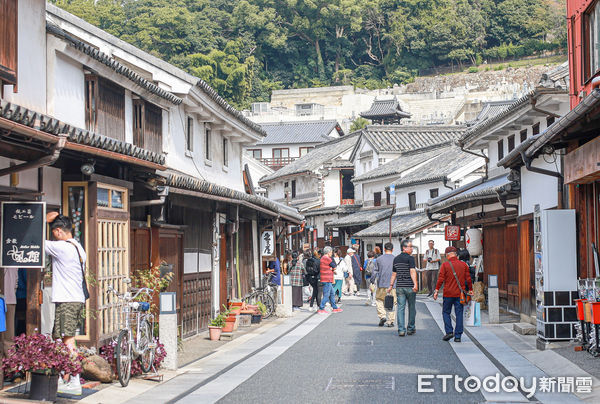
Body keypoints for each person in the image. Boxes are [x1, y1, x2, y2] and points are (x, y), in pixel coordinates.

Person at [45, 212, 86, 395]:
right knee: (63, 338)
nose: (53, 235)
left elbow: (34, 242)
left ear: (59, 231)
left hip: (67, 299)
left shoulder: (62, 247)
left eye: (53, 231)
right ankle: (65, 378)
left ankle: (74, 380)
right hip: (74, 299)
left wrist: (41, 220)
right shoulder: (78, 247)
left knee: (67, 339)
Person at [434, 246, 473, 342]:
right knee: (459, 313)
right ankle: (458, 336)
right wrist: (471, 289)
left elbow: (441, 279)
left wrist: (436, 290)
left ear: (447, 255)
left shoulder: (445, 265)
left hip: (448, 293)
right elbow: (468, 279)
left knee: (446, 312)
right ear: (456, 254)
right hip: (460, 294)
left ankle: (449, 331)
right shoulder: (463, 265)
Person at [388, 239, 418, 336]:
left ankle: (401, 330)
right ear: (404, 248)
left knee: (400, 308)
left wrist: (391, 285)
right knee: (412, 307)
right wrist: (415, 284)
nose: (412, 249)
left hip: (400, 286)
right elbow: (412, 271)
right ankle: (410, 328)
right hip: (409, 286)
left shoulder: (396, 259)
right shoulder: (410, 258)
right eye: (410, 247)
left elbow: (394, 274)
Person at [373, 243, 397, 327]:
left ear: (384, 249)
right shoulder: (395, 259)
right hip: (392, 284)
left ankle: (382, 316)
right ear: (392, 249)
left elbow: (375, 271)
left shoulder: (379, 259)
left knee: (379, 300)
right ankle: (390, 321)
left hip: (381, 283)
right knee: (392, 302)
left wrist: (372, 281)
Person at [318, 247, 342, 314]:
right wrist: (332, 268)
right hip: (327, 279)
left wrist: (331, 268)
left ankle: (334, 307)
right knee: (326, 294)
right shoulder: (327, 258)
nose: (332, 254)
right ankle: (321, 308)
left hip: (326, 278)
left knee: (332, 293)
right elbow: (334, 266)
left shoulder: (322, 258)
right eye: (331, 252)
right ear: (328, 252)